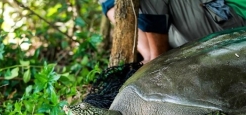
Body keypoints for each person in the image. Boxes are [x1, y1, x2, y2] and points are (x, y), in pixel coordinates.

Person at [101, 0, 246, 64]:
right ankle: (150, 57)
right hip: (194, 27)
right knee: (107, 0)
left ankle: (158, 63)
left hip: (232, 21)